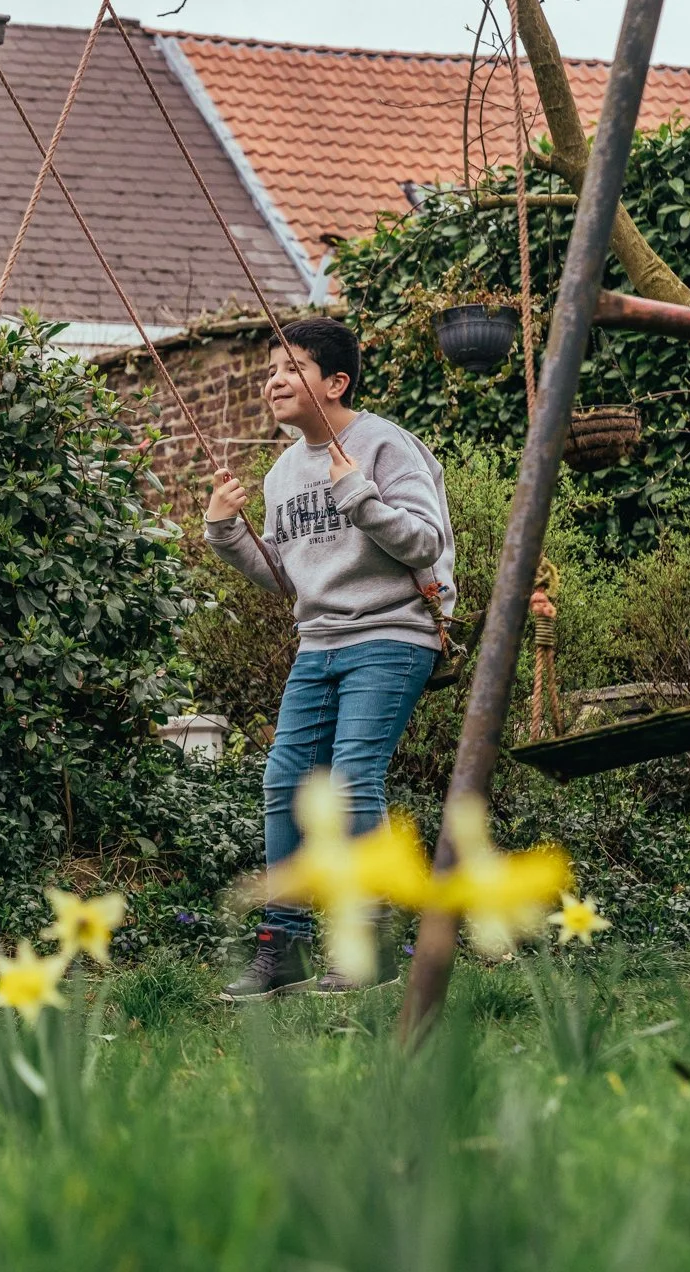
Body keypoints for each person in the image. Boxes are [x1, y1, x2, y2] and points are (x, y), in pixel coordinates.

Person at [203, 316, 455, 1000]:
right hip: (320, 642)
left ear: (335, 382)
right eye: (272, 370)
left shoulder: (384, 446)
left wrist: (359, 497)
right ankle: (283, 947)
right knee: (285, 782)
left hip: (394, 633)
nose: (274, 380)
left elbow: (425, 543)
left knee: (350, 782)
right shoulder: (284, 471)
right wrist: (226, 533)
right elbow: (290, 575)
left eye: (292, 368)